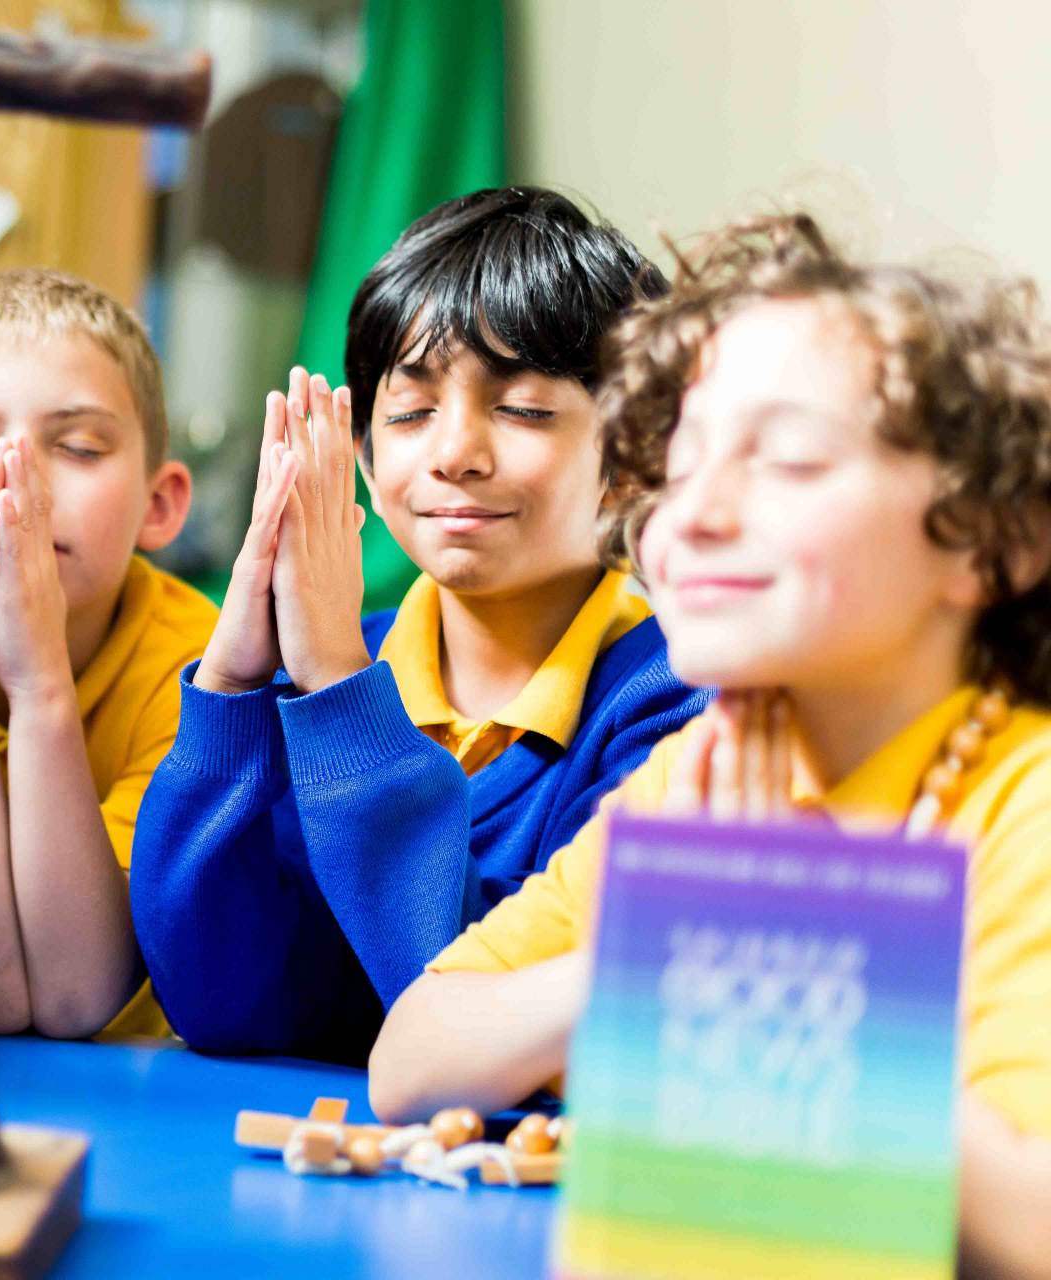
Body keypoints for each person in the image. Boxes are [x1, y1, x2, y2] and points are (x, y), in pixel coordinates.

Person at [363, 216, 1051, 1275]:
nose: (694, 517)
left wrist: (767, 957)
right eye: (677, 471)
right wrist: (661, 961)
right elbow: (411, 1060)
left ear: (991, 541)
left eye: (788, 460)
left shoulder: (1027, 796)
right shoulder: (713, 767)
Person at [129, 188, 707, 1061]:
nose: (453, 453)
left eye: (524, 409)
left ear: (634, 457)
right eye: (408, 413)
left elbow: (487, 1021)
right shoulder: (323, 668)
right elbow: (224, 1005)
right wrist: (232, 686)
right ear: (359, 456)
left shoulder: (674, 700)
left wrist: (337, 690)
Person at [0, 268, 213, 1039]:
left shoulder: (203, 670)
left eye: (76, 446)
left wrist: (39, 686)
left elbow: (79, 995)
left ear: (160, 502)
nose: (21, 485)